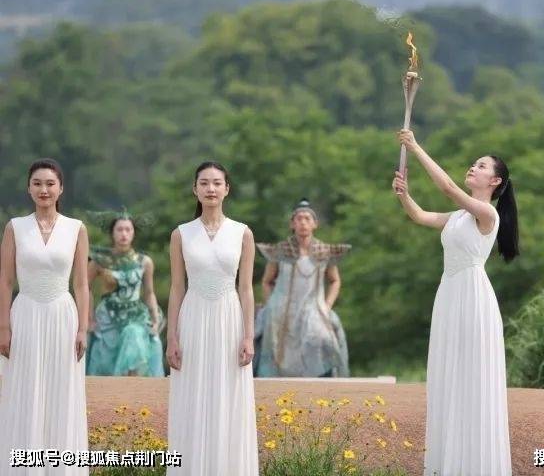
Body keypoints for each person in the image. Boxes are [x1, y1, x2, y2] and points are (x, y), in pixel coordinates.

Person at [394, 129, 519, 476]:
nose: (473, 167)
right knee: (449, 375)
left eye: (481, 166)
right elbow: (421, 216)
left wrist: (415, 146)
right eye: (474, 164)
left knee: (472, 379)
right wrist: (405, 195)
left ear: (494, 181)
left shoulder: (487, 214)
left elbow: (448, 188)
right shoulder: (459, 217)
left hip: (473, 298)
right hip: (449, 294)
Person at [166, 161, 258, 475]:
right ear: (195, 189)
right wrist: (172, 337)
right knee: (192, 395)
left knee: (228, 396)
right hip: (193, 319)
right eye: (204, 183)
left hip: (229, 319)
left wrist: (248, 336)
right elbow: (177, 288)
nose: (211, 189)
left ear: (227, 189)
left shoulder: (242, 233)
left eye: (217, 183)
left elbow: (246, 289)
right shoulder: (181, 234)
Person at [0, 158, 89, 475]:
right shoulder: (15, 227)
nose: (44, 190)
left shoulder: (76, 228)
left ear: (61, 188)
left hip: (63, 316)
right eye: (37, 183)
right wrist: (4, 326)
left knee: (61, 392)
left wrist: (83, 329)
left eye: (50, 184)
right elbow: (5, 281)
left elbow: (81, 283)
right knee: (24, 390)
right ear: (28, 188)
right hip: (25, 314)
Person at [254, 199, 350, 378]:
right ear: (292, 224)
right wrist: (270, 304)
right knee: (265, 332)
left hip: (313, 307)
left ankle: (325, 378)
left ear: (315, 224)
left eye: (307, 219)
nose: (303, 223)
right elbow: (267, 281)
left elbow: (335, 280)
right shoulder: (281, 250)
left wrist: (327, 305)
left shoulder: (324, 251)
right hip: (282, 307)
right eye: (299, 219)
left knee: (325, 336)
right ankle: (264, 379)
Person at [85, 210, 165, 376]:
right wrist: (89, 318)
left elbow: (149, 292)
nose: (124, 234)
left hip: (136, 316)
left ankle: (134, 387)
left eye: (128, 230)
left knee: (134, 336)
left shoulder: (144, 262)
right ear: (112, 233)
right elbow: (85, 288)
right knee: (104, 362)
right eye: (120, 229)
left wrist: (155, 319)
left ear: (134, 233)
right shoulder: (100, 261)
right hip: (108, 317)